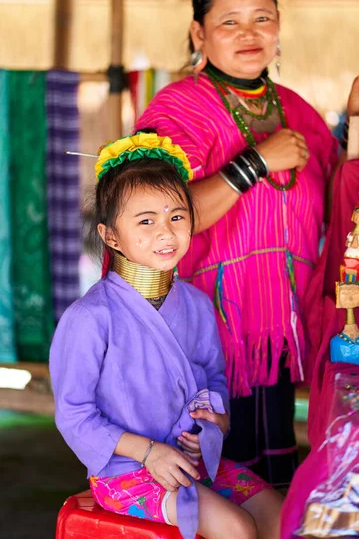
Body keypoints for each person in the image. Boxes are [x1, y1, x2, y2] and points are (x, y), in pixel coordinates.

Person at [136, 0, 359, 487]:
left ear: (279, 27)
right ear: (199, 33)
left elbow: (338, 201)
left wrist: (355, 128)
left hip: (275, 337)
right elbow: (157, 218)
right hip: (205, 335)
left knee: (272, 475)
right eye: (230, 21)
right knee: (207, 476)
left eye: (262, 19)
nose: (249, 34)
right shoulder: (179, 107)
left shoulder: (296, 111)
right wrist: (254, 163)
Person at [49, 132, 282, 539]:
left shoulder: (196, 304)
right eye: (146, 221)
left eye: (176, 217)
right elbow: (74, 416)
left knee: (279, 514)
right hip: (126, 472)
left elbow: (213, 380)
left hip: (194, 460)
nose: (166, 232)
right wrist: (149, 452)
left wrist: (215, 423)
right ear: (110, 236)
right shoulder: (89, 318)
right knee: (237, 529)